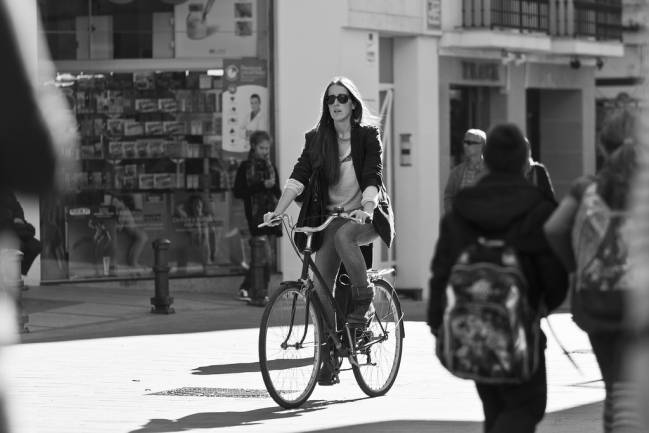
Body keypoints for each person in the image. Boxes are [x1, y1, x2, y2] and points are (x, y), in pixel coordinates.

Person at [428, 123, 568, 433]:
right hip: (521, 330)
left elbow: (442, 269)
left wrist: (437, 322)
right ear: (524, 162)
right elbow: (555, 275)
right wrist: (542, 304)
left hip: (473, 331)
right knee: (526, 407)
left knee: (494, 408)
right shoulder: (537, 207)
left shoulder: (462, 209)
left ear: (487, 161)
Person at [263, 76, 394, 385]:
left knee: (344, 235)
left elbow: (373, 174)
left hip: (365, 216)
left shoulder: (367, 136)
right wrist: (277, 211)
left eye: (342, 98)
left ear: (353, 104)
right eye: (330, 99)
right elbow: (299, 177)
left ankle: (364, 299)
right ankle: (331, 355)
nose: (335, 103)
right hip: (329, 218)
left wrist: (369, 207)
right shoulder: (317, 138)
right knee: (321, 288)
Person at [544, 108, 644, 432]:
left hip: (598, 298)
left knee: (615, 388)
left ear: (602, 146)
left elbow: (554, 230)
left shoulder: (586, 187)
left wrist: (579, 269)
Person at [233, 130, 281, 305]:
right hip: (254, 217)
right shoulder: (246, 167)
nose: (265, 151)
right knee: (263, 256)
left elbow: (278, 193)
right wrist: (261, 185)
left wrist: (272, 186)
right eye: (262, 147)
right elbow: (239, 192)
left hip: (271, 216)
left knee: (263, 256)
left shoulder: (271, 167)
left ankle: (255, 289)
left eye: (267, 148)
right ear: (253, 147)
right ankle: (257, 290)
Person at [443, 128, 487, 213]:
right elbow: (448, 196)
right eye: (464, 142)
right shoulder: (457, 171)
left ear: (481, 145)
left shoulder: (491, 171)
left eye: (469, 143)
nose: (465, 146)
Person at [0, 187, 42, 276]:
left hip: (16, 230)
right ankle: (11, 278)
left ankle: (18, 274)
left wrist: (19, 219)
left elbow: (18, 210)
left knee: (36, 246)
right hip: (5, 234)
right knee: (17, 245)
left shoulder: (9, 193)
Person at [176, 195, 216, 267]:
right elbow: (178, 208)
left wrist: (213, 252)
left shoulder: (207, 217)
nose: (197, 207)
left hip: (205, 252)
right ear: (192, 206)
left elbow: (213, 235)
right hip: (193, 252)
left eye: (199, 205)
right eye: (195, 205)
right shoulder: (188, 218)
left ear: (202, 206)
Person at [111, 195, 148, 270]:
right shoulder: (125, 210)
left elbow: (120, 228)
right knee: (135, 248)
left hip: (137, 233)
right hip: (138, 233)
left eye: (115, 202)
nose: (114, 204)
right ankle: (133, 263)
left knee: (136, 249)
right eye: (113, 203)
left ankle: (134, 263)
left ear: (121, 202)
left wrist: (112, 224)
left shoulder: (123, 211)